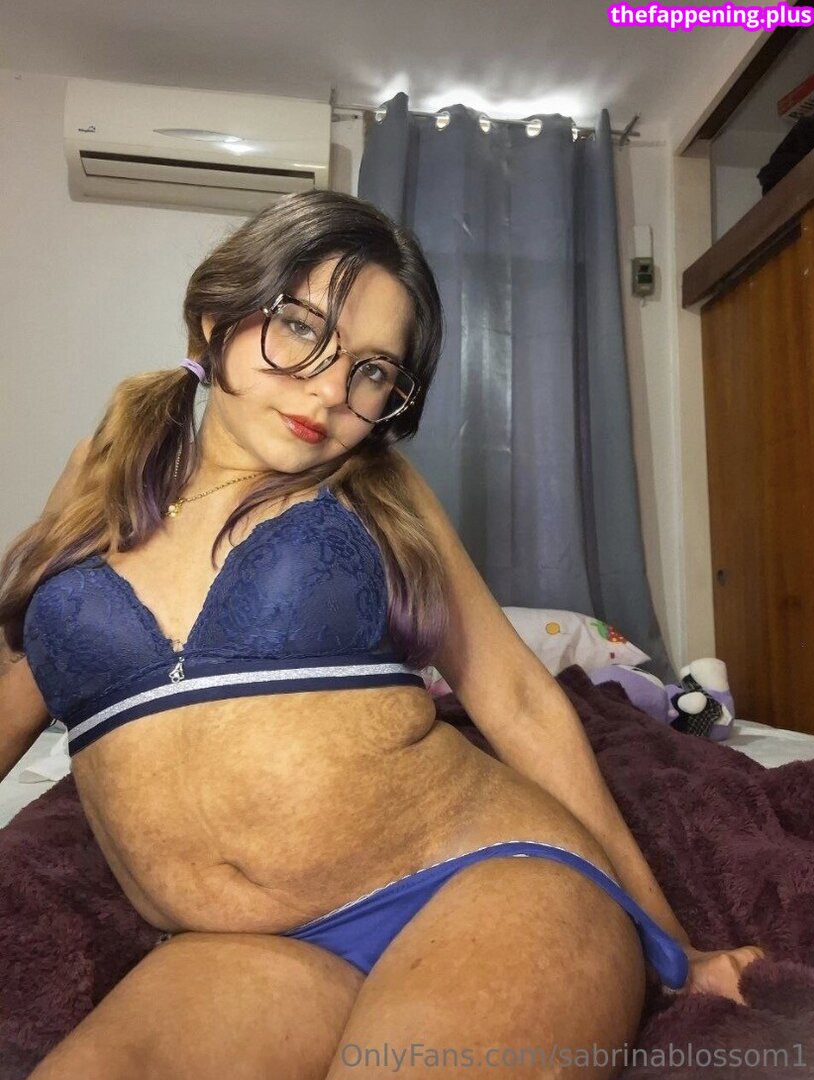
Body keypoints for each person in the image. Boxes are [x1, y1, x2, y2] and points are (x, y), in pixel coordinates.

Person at [0, 191, 763, 1080]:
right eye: (300, 328)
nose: (330, 390)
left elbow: (517, 699)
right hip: (245, 950)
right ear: (215, 317)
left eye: (371, 371)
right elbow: (24, 682)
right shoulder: (102, 472)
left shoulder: (379, 491)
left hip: (482, 881)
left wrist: (675, 946)